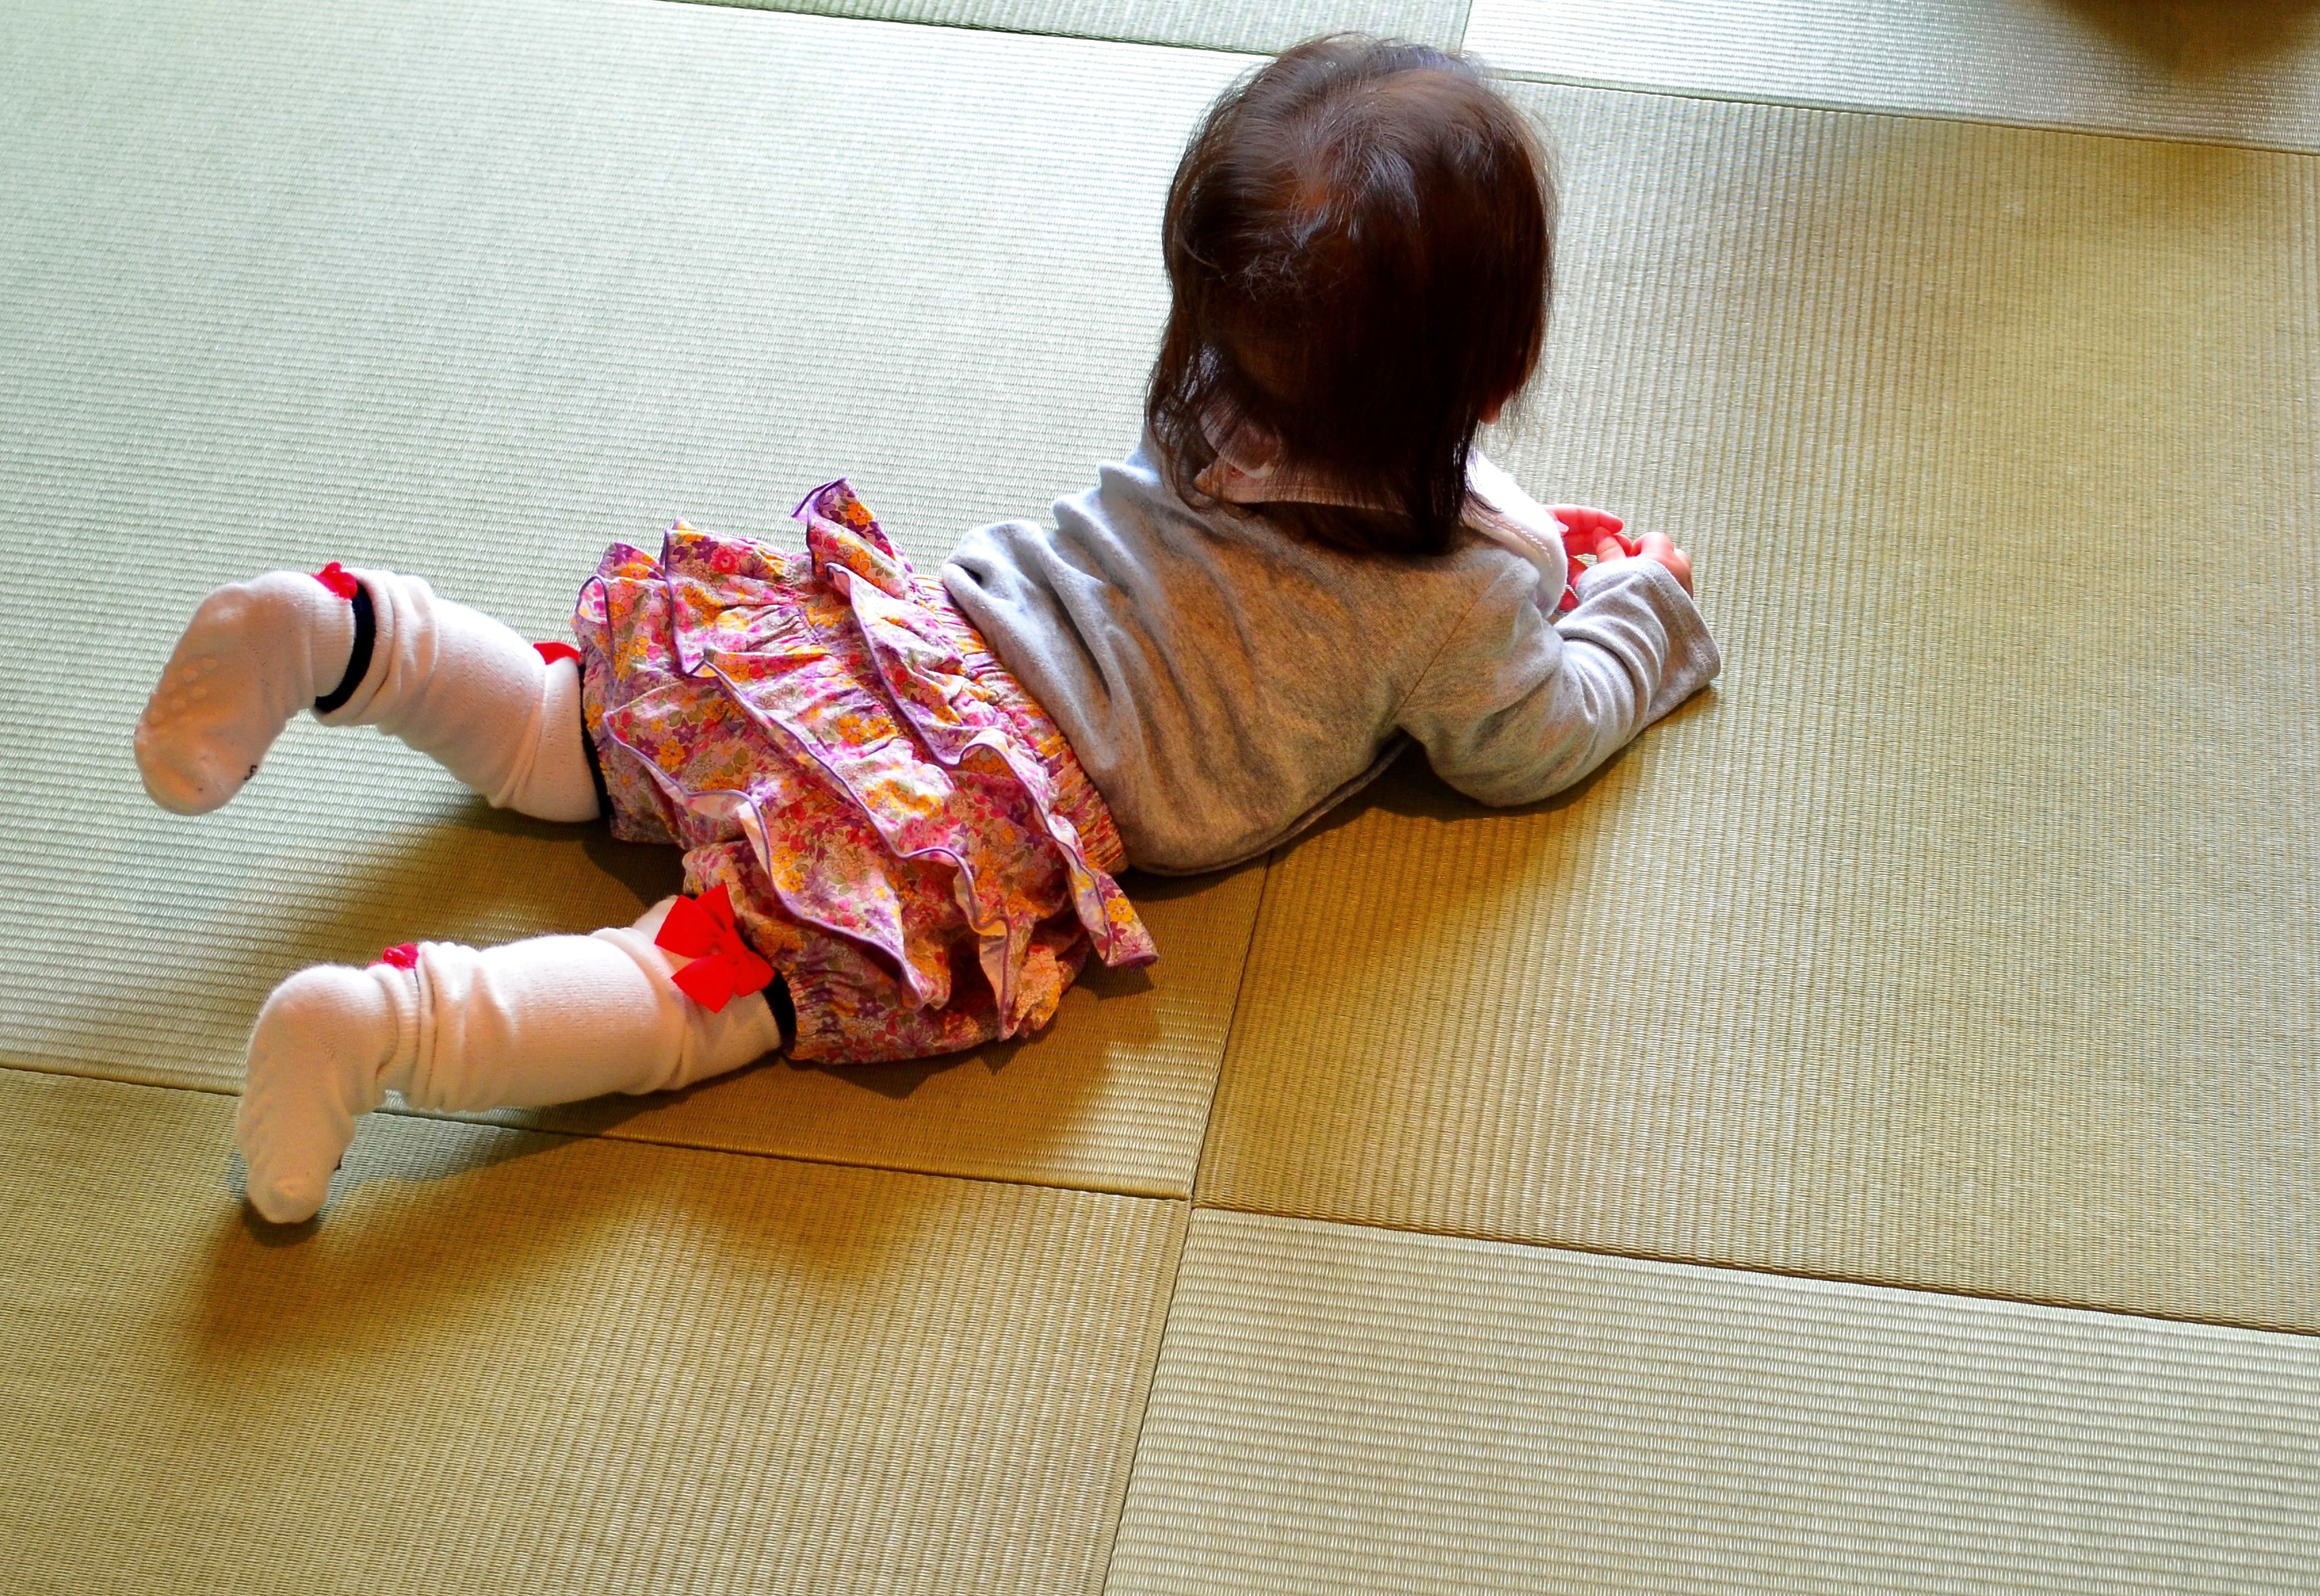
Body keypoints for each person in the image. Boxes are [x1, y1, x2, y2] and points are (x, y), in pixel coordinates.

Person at [132, 35, 1720, 1224]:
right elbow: (1532, 742)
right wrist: (1637, 609)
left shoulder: (1213, 420)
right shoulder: (1448, 606)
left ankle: (353, 634)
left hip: (888, 644)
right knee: (712, 973)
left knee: (586, 728)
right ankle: (388, 1024)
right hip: (964, 811)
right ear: (1488, 377)